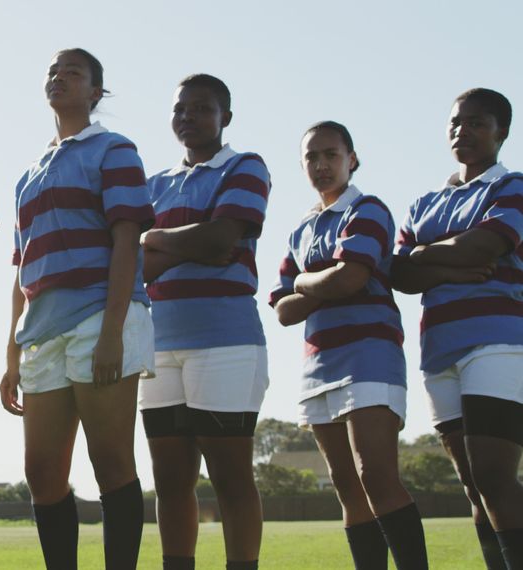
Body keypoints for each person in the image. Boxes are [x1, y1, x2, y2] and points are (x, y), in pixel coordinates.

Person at [0, 47, 154, 570]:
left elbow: (128, 240)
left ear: (96, 92)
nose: (59, 77)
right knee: (42, 472)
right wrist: (11, 354)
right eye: (53, 71)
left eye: (74, 72)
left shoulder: (114, 149)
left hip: (100, 318)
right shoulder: (27, 175)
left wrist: (113, 331)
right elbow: (22, 270)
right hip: (41, 331)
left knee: (110, 463)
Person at [271, 121, 427, 569]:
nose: (321, 165)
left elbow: (351, 277)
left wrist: (304, 280)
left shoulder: (369, 209)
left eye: (331, 155)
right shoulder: (300, 229)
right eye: (311, 158)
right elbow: (282, 310)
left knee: (375, 476)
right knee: (346, 487)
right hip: (317, 366)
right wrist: (321, 282)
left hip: (370, 357)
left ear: (351, 159)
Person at [139, 74, 269, 570]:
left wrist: (159, 238)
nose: (188, 117)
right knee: (170, 481)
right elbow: (140, 267)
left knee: (231, 477)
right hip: (159, 343)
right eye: (180, 110)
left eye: (201, 108)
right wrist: (182, 242)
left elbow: (221, 242)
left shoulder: (245, 166)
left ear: (225, 117)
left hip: (225, 341)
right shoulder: (154, 185)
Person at [392, 88, 523, 570]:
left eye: (476, 122)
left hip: (498, 343)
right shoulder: (425, 201)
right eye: (454, 123)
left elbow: (486, 246)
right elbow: (398, 273)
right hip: (438, 350)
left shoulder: (511, 185)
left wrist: (426, 255)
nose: (461, 131)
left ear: (501, 131)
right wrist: (445, 262)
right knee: (472, 482)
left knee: (493, 473)